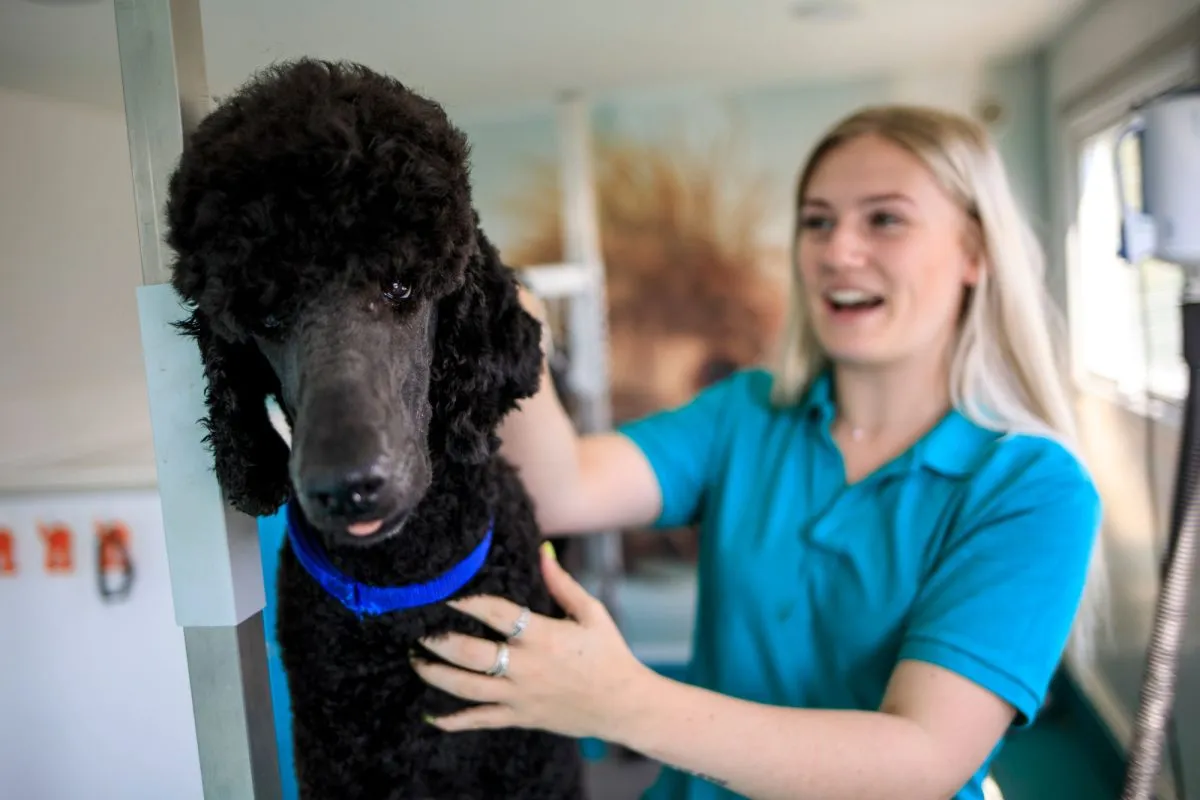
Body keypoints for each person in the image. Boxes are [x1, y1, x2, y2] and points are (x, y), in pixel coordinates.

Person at [411, 104, 1102, 800]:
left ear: (975, 251)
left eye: (884, 219)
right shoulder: (747, 413)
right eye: (817, 221)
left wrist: (621, 702)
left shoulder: (1032, 488)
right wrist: (511, 327)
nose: (838, 252)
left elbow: (922, 761)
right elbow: (562, 491)